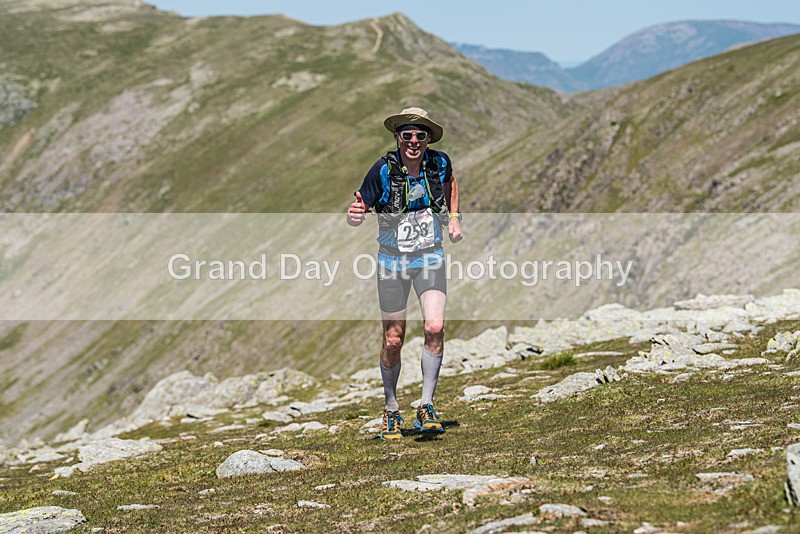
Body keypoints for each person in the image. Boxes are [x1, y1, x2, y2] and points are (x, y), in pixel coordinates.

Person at [347, 107, 462, 440]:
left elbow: (452, 182)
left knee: (435, 326)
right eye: (407, 135)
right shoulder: (381, 171)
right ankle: (391, 408)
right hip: (392, 263)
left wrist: (454, 217)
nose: (414, 141)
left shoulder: (438, 163)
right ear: (397, 137)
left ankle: (426, 404)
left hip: (430, 258)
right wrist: (354, 215)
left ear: (428, 138)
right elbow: (359, 208)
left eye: (420, 135)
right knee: (394, 339)